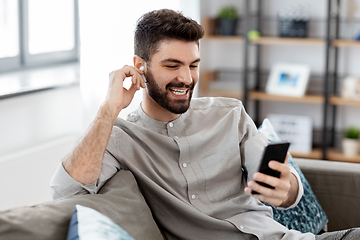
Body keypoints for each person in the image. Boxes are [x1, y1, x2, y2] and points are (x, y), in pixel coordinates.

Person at [51, 9, 359, 240]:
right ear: (139, 66)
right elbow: (66, 190)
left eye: (193, 65)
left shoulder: (230, 114)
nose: (186, 78)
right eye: (172, 65)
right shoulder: (121, 138)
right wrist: (109, 107)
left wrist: (287, 189)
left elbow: (276, 182)